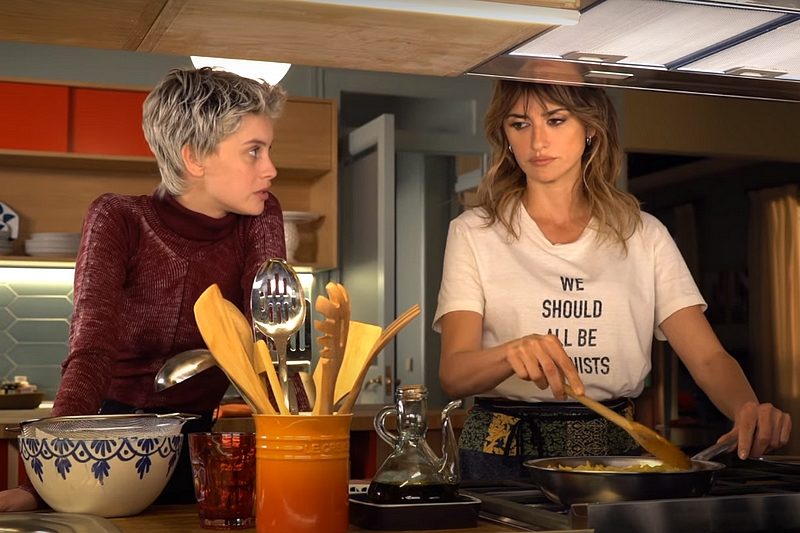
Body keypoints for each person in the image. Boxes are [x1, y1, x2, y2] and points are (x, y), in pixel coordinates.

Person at [433, 80, 792, 480]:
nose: (537, 141)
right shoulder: (474, 232)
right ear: (505, 135)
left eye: (556, 120)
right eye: (520, 124)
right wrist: (510, 353)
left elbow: (708, 358)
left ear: (590, 127)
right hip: (498, 458)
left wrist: (746, 407)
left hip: (615, 457)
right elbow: (454, 374)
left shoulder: (644, 234)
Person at [0, 67, 287, 511]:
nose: (270, 168)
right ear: (195, 158)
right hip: (103, 446)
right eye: (253, 151)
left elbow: (274, 344)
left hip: (197, 448)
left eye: (268, 149)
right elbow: (91, 350)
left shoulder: (260, 217)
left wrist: (304, 446)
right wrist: (40, 487)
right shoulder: (118, 219)